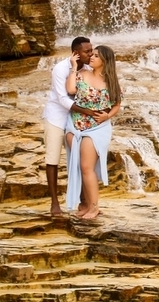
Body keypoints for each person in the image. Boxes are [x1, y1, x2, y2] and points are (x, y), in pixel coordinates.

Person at [64, 45, 123, 219]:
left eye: (96, 56)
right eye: (92, 54)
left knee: (86, 167)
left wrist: (107, 116)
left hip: (97, 128)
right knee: (78, 166)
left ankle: (95, 207)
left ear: (105, 61)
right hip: (75, 125)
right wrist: (74, 69)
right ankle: (86, 205)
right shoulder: (82, 74)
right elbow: (70, 90)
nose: (92, 57)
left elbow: (117, 104)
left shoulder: (111, 81)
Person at [42, 37, 92, 216]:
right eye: (87, 51)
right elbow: (63, 99)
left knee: (79, 159)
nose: (90, 54)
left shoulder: (88, 69)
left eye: (91, 50)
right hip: (56, 117)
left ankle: (83, 201)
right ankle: (54, 203)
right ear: (75, 53)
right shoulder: (60, 69)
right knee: (53, 158)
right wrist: (89, 111)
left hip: (76, 117)